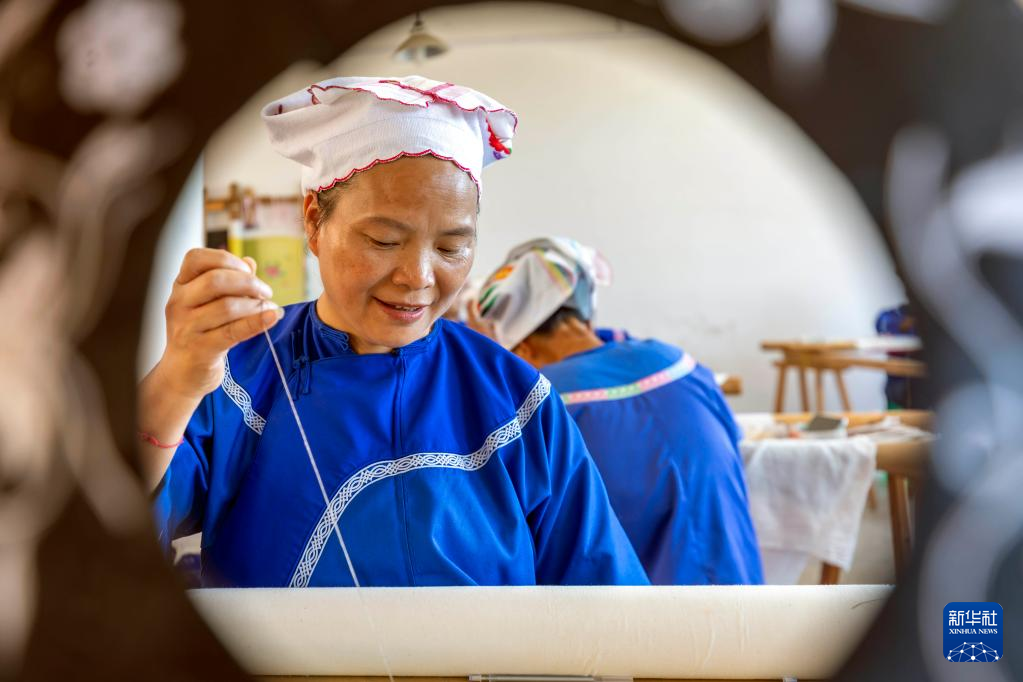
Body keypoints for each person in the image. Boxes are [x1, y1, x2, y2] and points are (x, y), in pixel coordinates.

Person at [139, 76, 648, 588]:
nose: (418, 278)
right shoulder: (240, 377)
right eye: (384, 240)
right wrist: (178, 378)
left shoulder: (516, 402)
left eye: (451, 248)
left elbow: (606, 598)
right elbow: (124, 522)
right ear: (314, 221)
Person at [474, 238, 763, 585]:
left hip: (644, 612)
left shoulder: (541, 408)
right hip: (746, 596)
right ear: (585, 315)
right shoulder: (680, 365)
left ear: (520, 347)